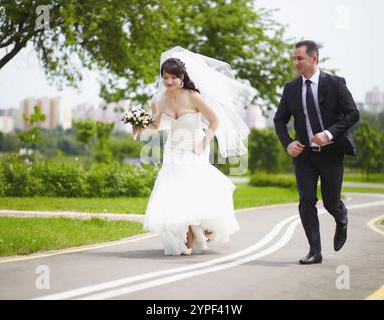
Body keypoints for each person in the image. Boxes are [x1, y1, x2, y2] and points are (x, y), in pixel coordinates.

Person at [134, 47, 256, 255]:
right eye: (165, 77)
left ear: (182, 77)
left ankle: (196, 238)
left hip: (195, 149)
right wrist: (138, 128)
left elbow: (214, 121)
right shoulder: (158, 100)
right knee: (176, 194)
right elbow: (154, 126)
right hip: (173, 151)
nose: (169, 82)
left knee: (192, 192)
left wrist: (203, 144)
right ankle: (195, 238)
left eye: (173, 77)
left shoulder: (193, 96)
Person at [273, 40, 359, 264]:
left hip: (331, 153)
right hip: (305, 156)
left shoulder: (335, 83)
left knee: (331, 202)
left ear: (314, 58)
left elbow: (352, 114)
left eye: (299, 58)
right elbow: (279, 119)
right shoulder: (291, 88)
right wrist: (288, 143)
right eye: (294, 58)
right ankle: (315, 251)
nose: (295, 62)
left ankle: (341, 217)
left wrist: (329, 134)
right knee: (306, 201)